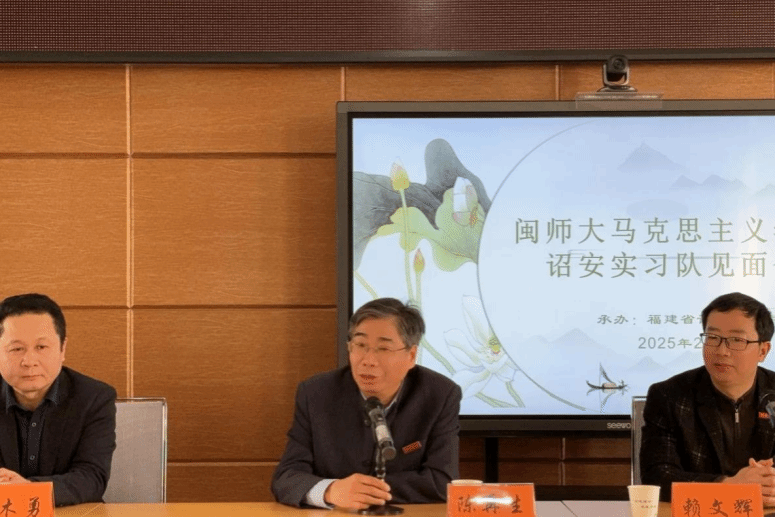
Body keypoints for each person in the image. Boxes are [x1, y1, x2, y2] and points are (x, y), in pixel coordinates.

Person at [271, 297, 462, 509]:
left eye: (383, 348)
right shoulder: (316, 394)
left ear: (411, 355)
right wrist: (331, 490)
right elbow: (286, 478)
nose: (368, 360)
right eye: (360, 345)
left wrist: (365, 492)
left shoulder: (440, 395)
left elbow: (442, 481)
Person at [640, 292, 775, 505]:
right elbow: (657, 477)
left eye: (737, 340)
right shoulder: (669, 396)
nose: (722, 351)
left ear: (763, 350)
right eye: (713, 338)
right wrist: (730, 486)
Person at [0, 293, 116, 507]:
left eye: (41, 347)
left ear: (63, 349)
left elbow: (92, 477)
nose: (29, 361)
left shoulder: (94, 398)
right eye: (16, 349)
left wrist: (29, 490)